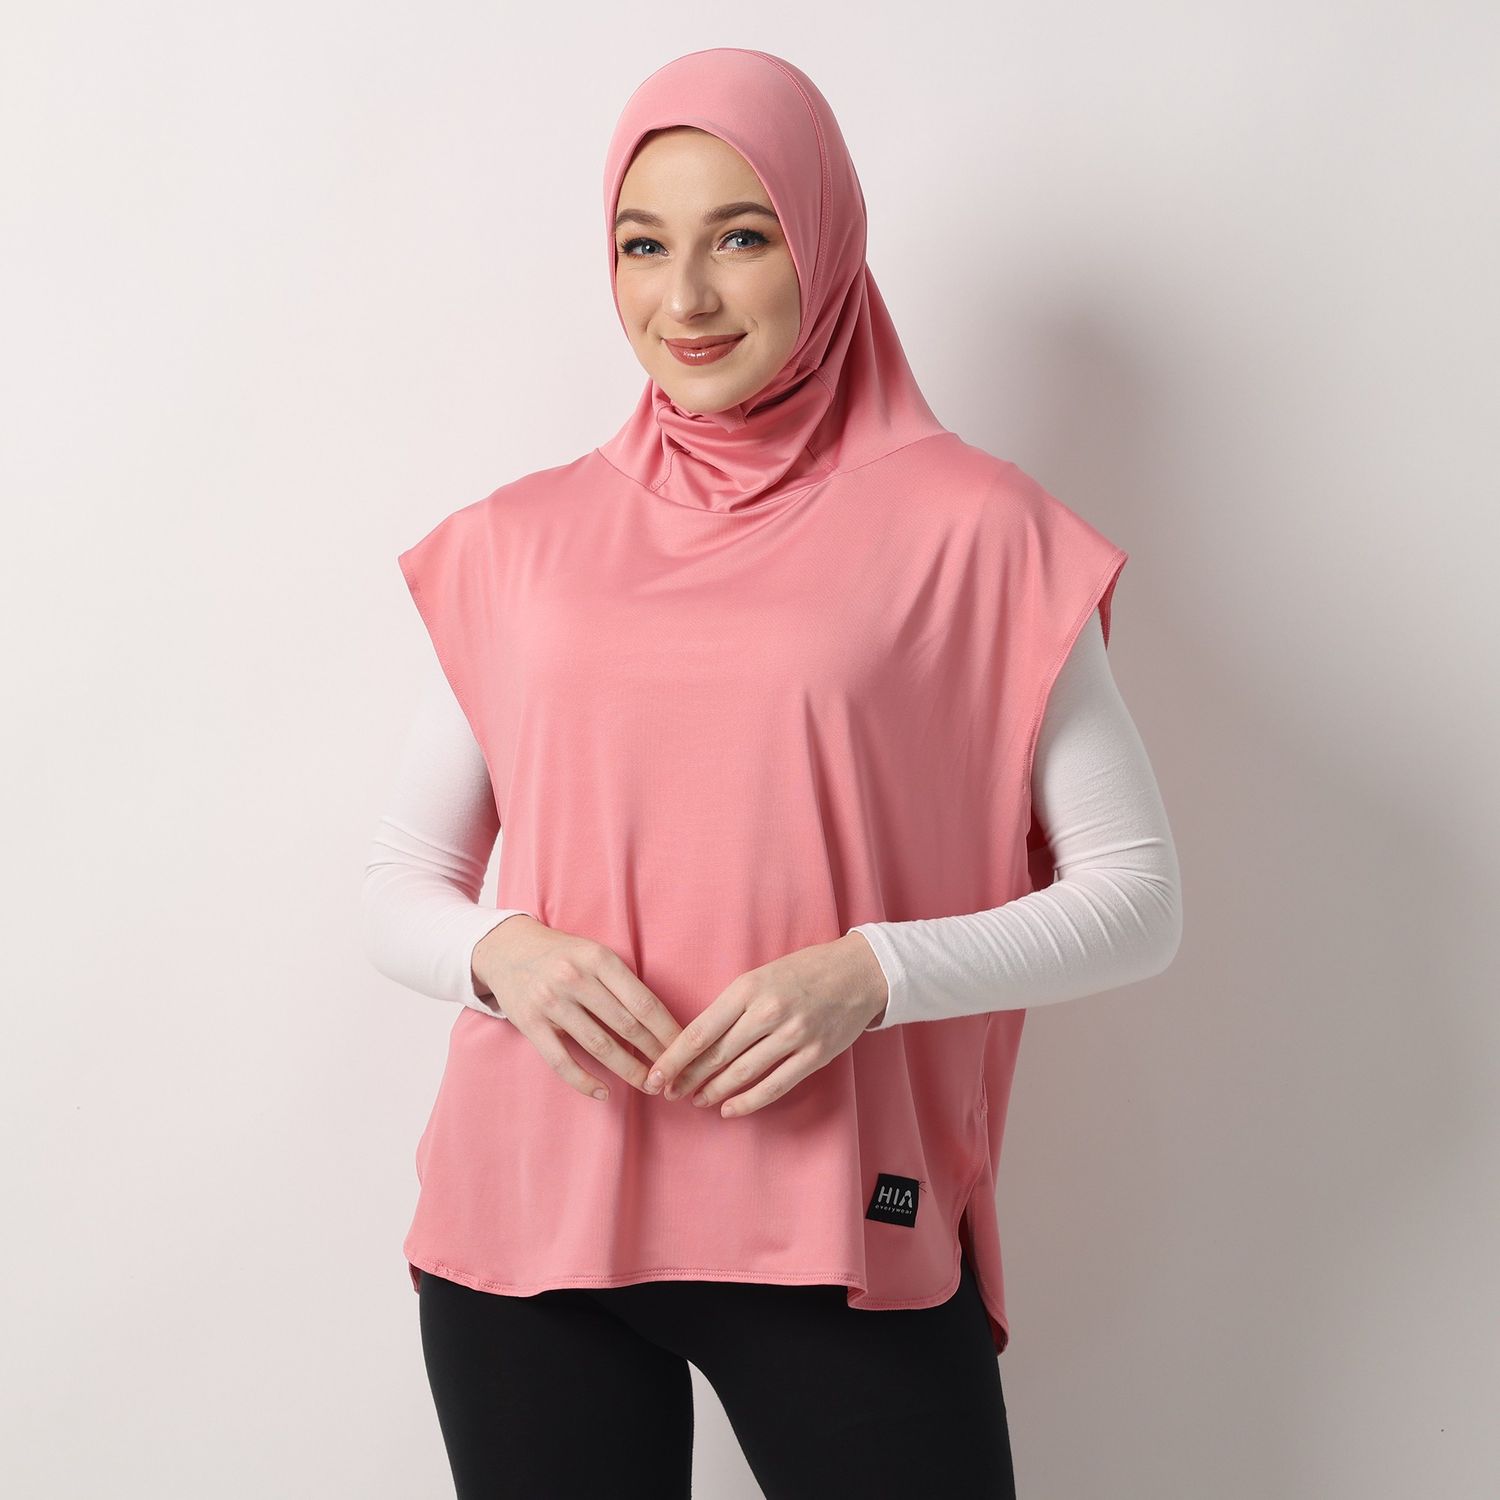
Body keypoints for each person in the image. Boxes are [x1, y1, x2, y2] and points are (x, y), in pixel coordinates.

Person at [362, 47, 1181, 1499]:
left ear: (826, 239)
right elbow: (398, 883)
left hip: (834, 1213)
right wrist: (505, 955)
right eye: (642, 246)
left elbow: (1137, 900)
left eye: (740, 237)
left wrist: (870, 975)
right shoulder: (518, 545)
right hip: (528, 1220)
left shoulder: (979, 533)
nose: (684, 299)